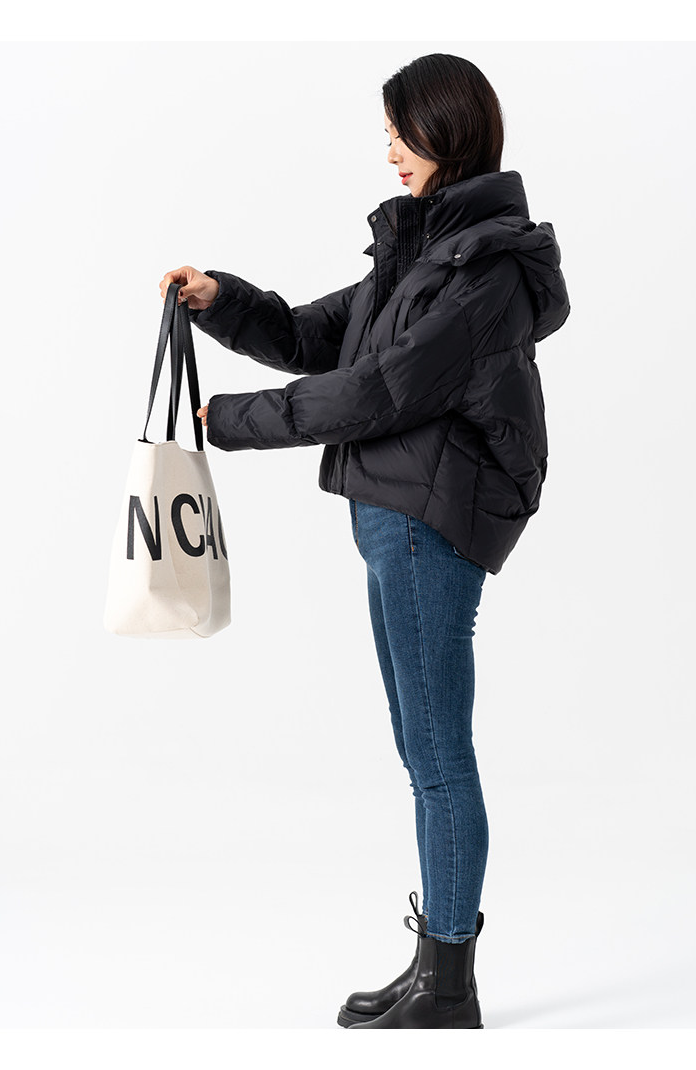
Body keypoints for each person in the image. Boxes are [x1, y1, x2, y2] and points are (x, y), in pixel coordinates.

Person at [159, 52, 570, 1030]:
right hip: (395, 517)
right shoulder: (427, 252)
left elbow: (384, 390)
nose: (388, 149)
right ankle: (435, 962)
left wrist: (233, 420)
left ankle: (448, 985)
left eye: (399, 130)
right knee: (420, 745)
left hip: (428, 523)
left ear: (446, 130)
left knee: (437, 751)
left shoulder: (482, 271)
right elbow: (319, 337)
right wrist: (222, 299)